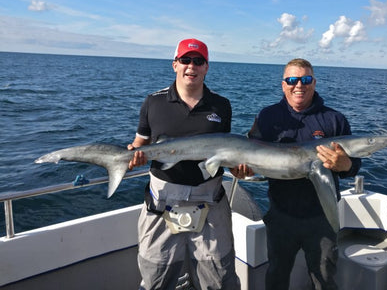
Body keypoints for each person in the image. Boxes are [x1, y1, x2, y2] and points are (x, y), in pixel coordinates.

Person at [236, 58, 361, 290]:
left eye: (305, 79)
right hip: (281, 214)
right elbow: (249, 156)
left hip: (322, 215)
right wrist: (243, 171)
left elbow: (353, 167)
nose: (299, 85)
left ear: (314, 82)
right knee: (276, 275)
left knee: (324, 277)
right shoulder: (268, 117)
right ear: (283, 84)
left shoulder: (335, 120)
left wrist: (344, 165)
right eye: (292, 80)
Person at [128, 39, 240, 290]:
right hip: (162, 201)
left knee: (219, 279)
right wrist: (131, 155)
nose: (192, 66)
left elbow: (224, 150)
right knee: (156, 277)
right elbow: (139, 143)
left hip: (210, 201)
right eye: (186, 60)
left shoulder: (221, 105)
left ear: (206, 67)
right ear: (175, 65)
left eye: (198, 61)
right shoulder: (153, 102)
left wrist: (239, 167)